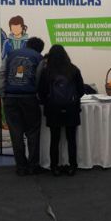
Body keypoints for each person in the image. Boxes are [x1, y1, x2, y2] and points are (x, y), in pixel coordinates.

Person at [0, 35, 43, 176]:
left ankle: (21, 167)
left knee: (16, 134)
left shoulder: (10, 55)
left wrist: (4, 94)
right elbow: (40, 78)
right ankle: (33, 166)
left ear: (27, 44)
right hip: (29, 98)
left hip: (11, 98)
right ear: (39, 49)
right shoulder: (38, 58)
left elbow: (0, 75)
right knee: (33, 133)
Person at [38, 45, 84, 177]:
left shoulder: (47, 71)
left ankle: (54, 167)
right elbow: (81, 91)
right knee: (71, 139)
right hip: (71, 109)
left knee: (55, 139)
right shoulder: (74, 69)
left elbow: (41, 92)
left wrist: (48, 101)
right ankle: (72, 167)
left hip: (53, 109)